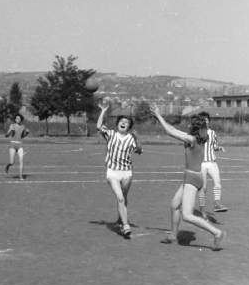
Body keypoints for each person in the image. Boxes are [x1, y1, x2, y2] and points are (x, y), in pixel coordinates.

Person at [150, 103, 226, 251]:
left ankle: (217, 233)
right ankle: (173, 236)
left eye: (190, 123)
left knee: (187, 215)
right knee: (174, 205)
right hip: (191, 178)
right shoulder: (195, 138)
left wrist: (159, 116)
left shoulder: (192, 140)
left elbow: (170, 133)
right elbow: (172, 129)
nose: (188, 125)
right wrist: (161, 118)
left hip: (192, 179)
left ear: (194, 126)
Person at [96, 103, 143, 239]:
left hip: (127, 173)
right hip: (113, 172)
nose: (123, 123)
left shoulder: (131, 139)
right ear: (118, 124)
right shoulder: (110, 135)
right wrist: (103, 111)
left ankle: (119, 220)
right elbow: (99, 127)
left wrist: (137, 139)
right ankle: (125, 225)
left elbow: (139, 150)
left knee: (124, 198)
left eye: (126, 122)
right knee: (120, 197)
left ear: (129, 127)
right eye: (121, 121)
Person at [196, 111, 228, 222]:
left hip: (212, 162)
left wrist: (219, 148)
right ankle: (203, 213)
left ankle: (217, 204)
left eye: (206, 119)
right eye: (203, 119)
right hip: (201, 164)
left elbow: (214, 146)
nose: (205, 121)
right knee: (203, 189)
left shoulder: (213, 133)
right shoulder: (197, 133)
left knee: (217, 182)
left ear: (209, 120)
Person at [4, 114, 30, 181]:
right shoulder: (12, 126)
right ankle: (7, 166)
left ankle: (21, 176)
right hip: (13, 145)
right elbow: (6, 135)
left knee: (21, 160)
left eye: (19, 118)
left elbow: (22, 136)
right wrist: (10, 131)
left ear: (21, 120)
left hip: (20, 145)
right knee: (12, 162)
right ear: (15, 119)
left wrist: (26, 133)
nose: (18, 119)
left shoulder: (23, 127)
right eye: (17, 118)